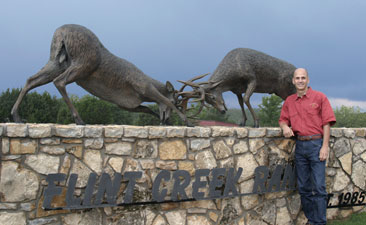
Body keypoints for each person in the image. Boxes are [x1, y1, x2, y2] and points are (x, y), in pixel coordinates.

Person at [279, 68, 336, 225]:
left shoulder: (319, 97)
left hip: (316, 144)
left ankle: (319, 222)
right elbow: (283, 119)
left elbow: (327, 123)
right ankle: (312, 220)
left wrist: (325, 147)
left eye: (303, 78)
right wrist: (284, 127)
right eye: (297, 78)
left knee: (319, 187)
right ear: (293, 80)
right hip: (300, 145)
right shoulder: (289, 101)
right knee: (304, 188)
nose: (300, 80)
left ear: (308, 80)